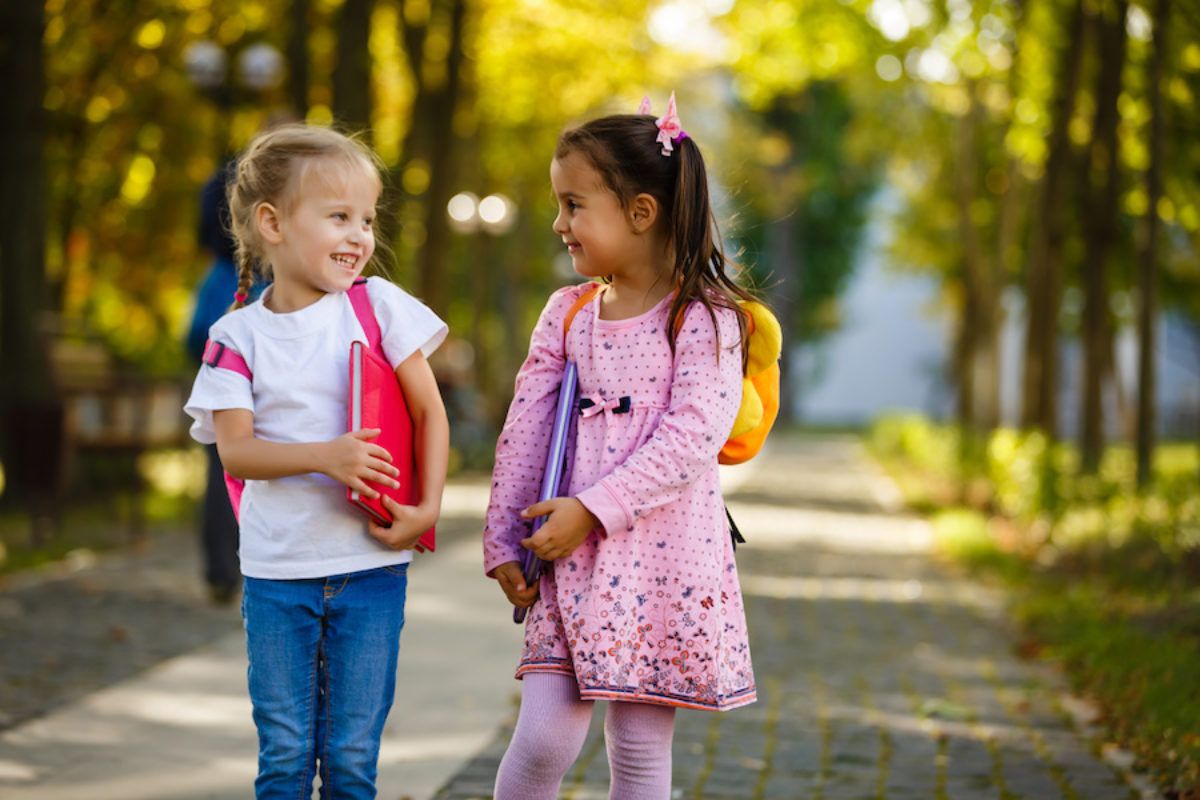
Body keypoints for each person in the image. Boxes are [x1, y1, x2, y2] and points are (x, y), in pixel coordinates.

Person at [483, 93, 758, 800]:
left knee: (637, 750)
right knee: (543, 739)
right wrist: (503, 539)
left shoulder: (706, 318)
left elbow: (693, 436)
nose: (559, 223)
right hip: (568, 560)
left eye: (574, 205)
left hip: (659, 563)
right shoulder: (567, 313)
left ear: (641, 212)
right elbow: (527, 428)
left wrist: (595, 505)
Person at [183, 124, 449, 798]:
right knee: (286, 757)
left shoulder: (379, 307)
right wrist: (326, 457)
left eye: (366, 218)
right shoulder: (235, 336)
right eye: (338, 217)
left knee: (354, 759)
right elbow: (236, 452)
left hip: (372, 570)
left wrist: (426, 509)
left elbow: (429, 413)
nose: (360, 235)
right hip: (279, 577)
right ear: (272, 223)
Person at [186, 158, 252, 604]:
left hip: (218, 376)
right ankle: (230, 565)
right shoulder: (265, 284)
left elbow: (195, 337)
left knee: (221, 464)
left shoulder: (218, 278)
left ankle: (222, 569)